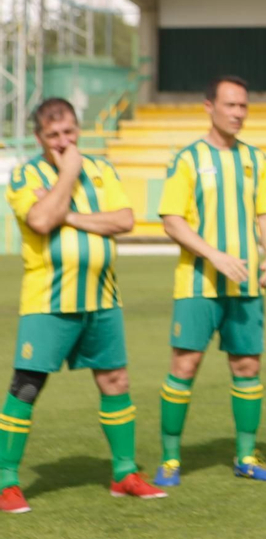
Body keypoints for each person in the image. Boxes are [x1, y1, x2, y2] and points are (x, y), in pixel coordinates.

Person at [1, 99, 166, 513]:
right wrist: (69, 175)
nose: (64, 141)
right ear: (39, 138)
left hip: (103, 297)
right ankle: (6, 481)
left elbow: (124, 220)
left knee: (116, 383)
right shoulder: (24, 175)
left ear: (79, 130)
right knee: (26, 387)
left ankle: (124, 474)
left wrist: (67, 214)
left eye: (70, 131)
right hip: (48, 300)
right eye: (54, 134)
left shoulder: (103, 170)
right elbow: (39, 221)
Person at [155, 75, 266, 486]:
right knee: (185, 365)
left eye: (243, 106)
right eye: (230, 105)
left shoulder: (256, 159)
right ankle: (171, 459)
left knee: (247, 365)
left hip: (244, 285)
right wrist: (214, 255)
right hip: (198, 283)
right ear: (209, 106)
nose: (238, 113)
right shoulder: (188, 159)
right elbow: (171, 220)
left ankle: (246, 455)